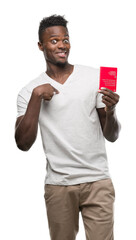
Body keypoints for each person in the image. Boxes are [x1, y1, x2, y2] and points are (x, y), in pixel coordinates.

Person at [15, 14, 121, 240]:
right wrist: (36, 98)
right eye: (54, 41)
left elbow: (112, 135)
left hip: (98, 181)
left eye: (66, 39)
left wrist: (111, 111)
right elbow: (23, 143)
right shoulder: (29, 90)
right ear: (40, 46)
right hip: (59, 186)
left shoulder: (94, 78)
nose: (62, 45)